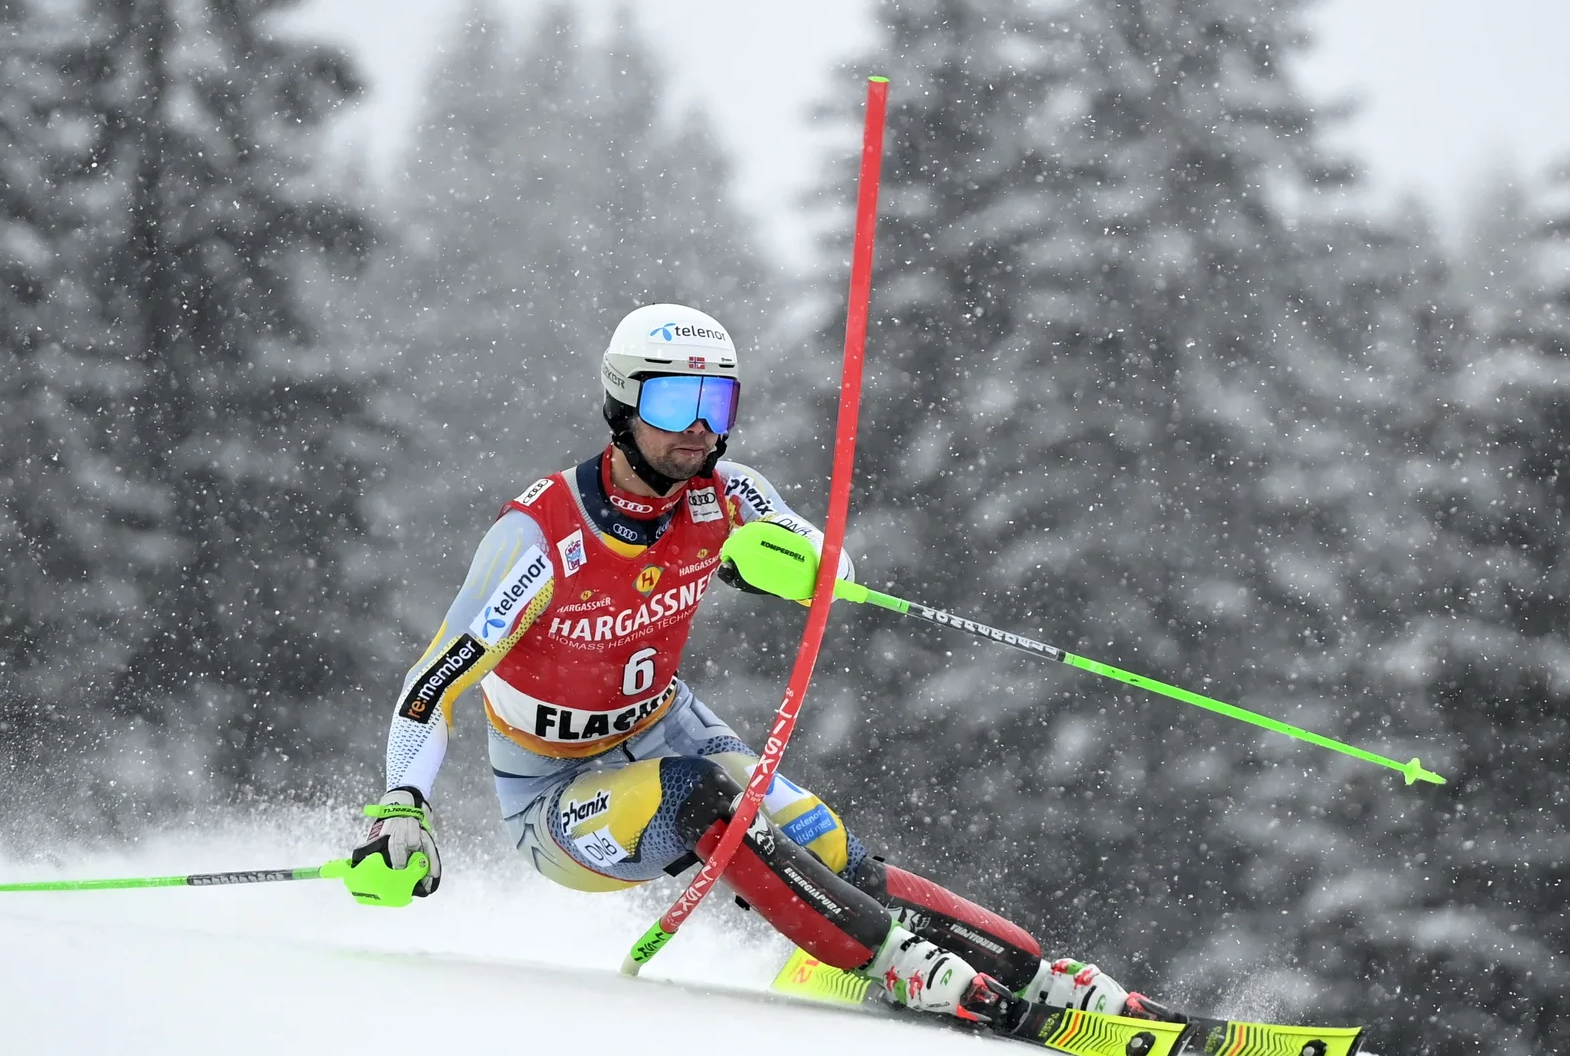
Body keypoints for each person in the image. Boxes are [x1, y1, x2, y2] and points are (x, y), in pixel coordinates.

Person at [352, 302, 1162, 1022]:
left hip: (671, 725)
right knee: (707, 798)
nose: (698, 427)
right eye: (675, 401)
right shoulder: (540, 540)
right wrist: (402, 808)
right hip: (558, 796)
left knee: (828, 844)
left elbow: (826, 563)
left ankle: (1034, 971)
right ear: (621, 401)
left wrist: (797, 565)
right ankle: (887, 958)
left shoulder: (725, 494)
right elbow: (432, 685)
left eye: (718, 402)